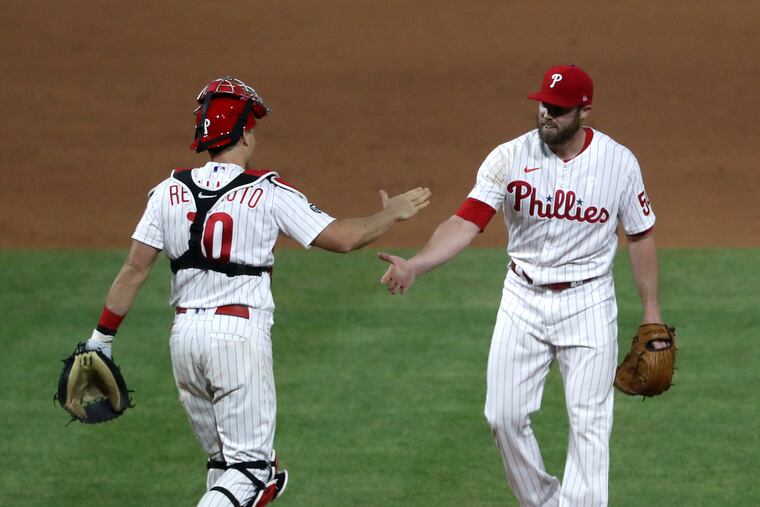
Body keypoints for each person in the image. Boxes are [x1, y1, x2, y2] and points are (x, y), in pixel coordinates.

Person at [81, 76, 431, 507]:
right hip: (237, 339)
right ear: (245, 132)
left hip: (184, 341)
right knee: (251, 472)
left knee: (225, 466)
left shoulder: (166, 192)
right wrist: (391, 214)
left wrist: (101, 340)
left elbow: (134, 270)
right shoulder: (266, 192)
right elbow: (342, 237)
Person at [378, 65, 663, 506]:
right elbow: (466, 220)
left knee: (590, 423)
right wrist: (417, 265)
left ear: (584, 111)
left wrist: (651, 311)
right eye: (543, 105)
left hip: (588, 301)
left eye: (559, 109)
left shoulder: (619, 163)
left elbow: (640, 235)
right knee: (503, 416)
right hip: (522, 299)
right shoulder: (509, 157)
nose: (547, 114)